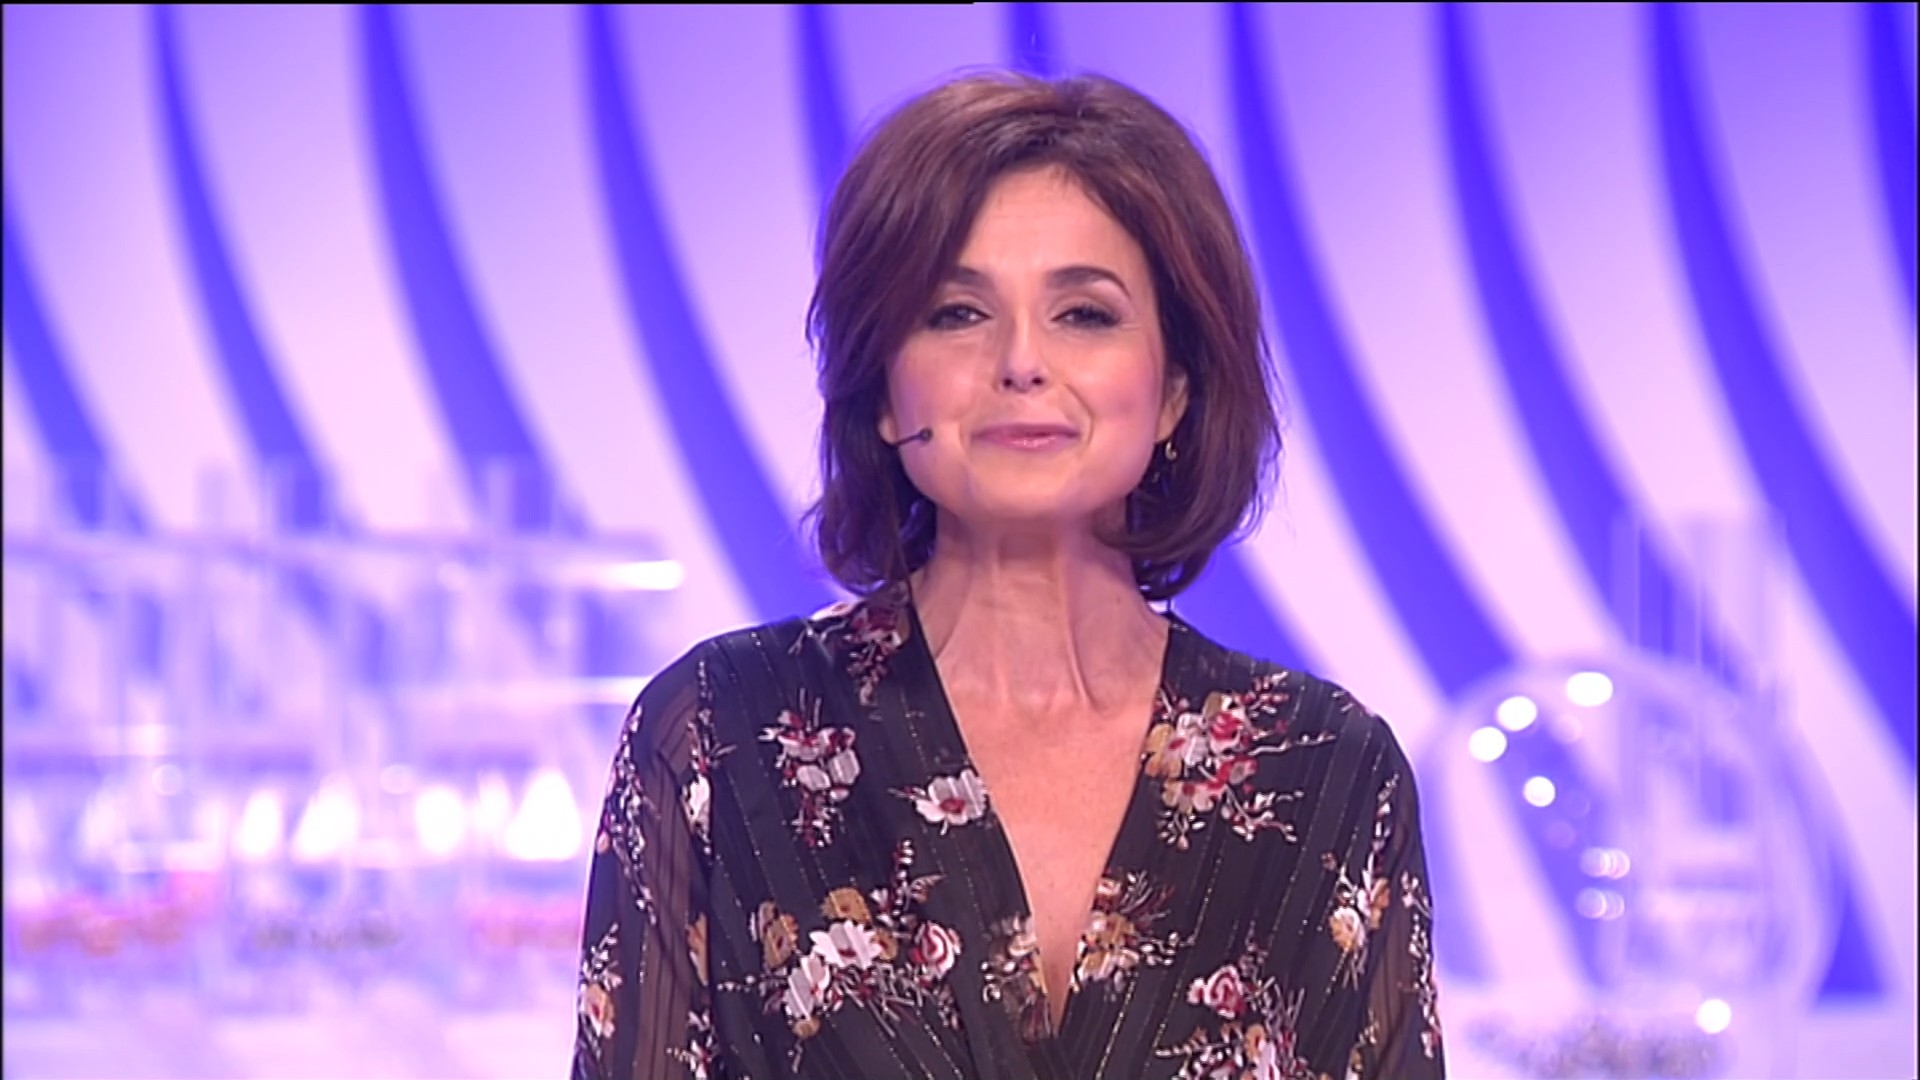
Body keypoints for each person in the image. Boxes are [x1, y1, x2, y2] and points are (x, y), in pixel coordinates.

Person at [571, 70, 1444, 1080]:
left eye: (1084, 313)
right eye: (956, 313)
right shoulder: (718, 737)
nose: (1023, 361)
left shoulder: (1327, 769)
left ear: (1173, 390)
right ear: (884, 392)